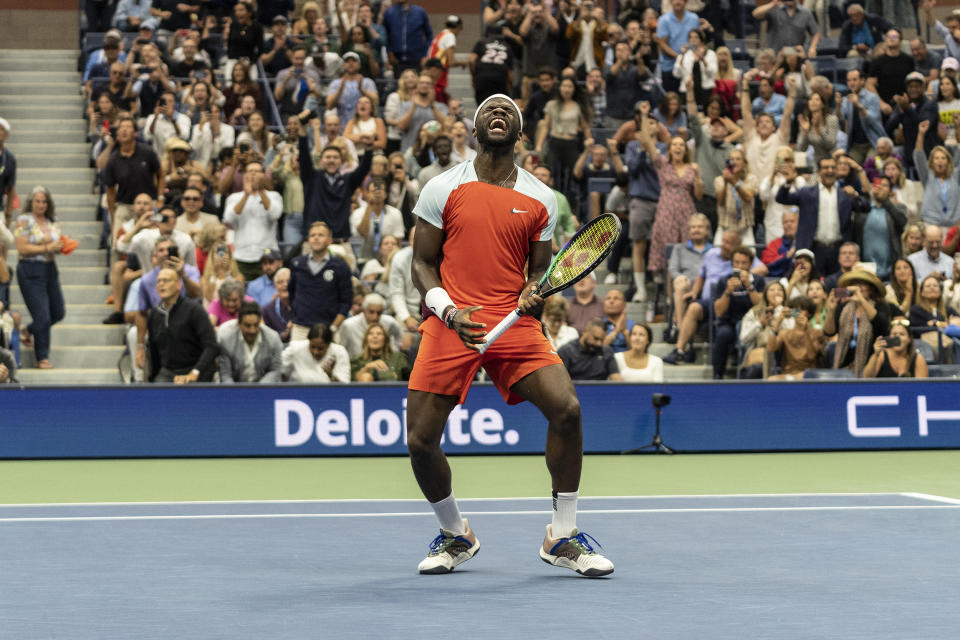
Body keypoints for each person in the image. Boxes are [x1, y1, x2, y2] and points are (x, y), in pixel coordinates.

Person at [406, 94, 613, 576]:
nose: (497, 113)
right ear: (474, 129)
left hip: (513, 323)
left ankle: (562, 537)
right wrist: (449, 311)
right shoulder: (441, 187)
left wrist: (531, 293)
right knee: (419, 440)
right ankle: (456, 534)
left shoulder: (540, 197)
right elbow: (422, 263)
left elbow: (540, 273)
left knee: (568, 410)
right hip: (452, 320)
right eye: (488, 110)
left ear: (520, 133)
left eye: (508, 112)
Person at [637, 101, 703, 276]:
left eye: (681, 145)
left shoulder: (692, 167)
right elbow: (648, 142)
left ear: (685, 149)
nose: (678, 147)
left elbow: (699, 195)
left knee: (687, 253)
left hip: (687, 211)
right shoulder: (662, 164)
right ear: (670, 148)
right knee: (668, 252)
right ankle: (667, 287)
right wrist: (644, 116)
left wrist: (697, 177)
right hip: (666, 211)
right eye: (675, 145)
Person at [776, 157, 869, 276]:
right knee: (814, 286)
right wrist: (788, 182)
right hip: (814, 248)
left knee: (838, 286)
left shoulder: (845, 194)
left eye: (833, 167)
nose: (829, 171)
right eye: (826, 168)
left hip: (839, 250)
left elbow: (865, 207)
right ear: (819, 171)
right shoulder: (807, 193)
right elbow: (781, 198)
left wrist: (855, 195)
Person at [13, 187, 67, 369]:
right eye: (38, 201)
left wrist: (62, 247)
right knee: (42, 316)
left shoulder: (53, 220)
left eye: (44, 201)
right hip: (30, 269)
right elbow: (22, 248)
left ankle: (27, 330)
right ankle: (42, 357)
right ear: (31, 202)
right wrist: (46, 247)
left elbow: (55, 243)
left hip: (50, 268)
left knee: (58, 312)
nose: (41, 205)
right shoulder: (23, 220)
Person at [144, 267, 218, 383]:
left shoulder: (194, 310)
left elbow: (211, 346)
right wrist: (152, 379)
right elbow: (154, 351)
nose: (161, 284)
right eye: (159, 281)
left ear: (179, 285)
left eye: (166, 280)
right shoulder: (154, 314)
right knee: (157, 392)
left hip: (196, 370)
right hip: (168, 372)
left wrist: (195, 372)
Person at [288, 222, 352, 341]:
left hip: (329, 328)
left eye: (320, 235)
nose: (316, 238)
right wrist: (295, 316)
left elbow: (346, 302)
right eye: (312, 235)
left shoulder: (340, 266)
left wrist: (333, 328)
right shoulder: (297, 263)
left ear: (329, 240)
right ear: (308, 240)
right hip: (301, 328)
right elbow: (291, 293)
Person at [824, 268, 893, 376]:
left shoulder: (881, 306)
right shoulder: (844, 307)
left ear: (871, 289)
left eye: (862, 284)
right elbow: (829, 332)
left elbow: (882, 325)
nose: (858, 288)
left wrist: (861, 300)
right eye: (855, 284)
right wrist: (831, 310)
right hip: (844, 366)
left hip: (872, 364)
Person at [666, 213, 712, 342]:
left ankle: (679, 332)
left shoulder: (713, 251)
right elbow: (673, 269)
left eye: (700, 227)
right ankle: (681, 328)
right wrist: (681, 277)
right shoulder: (679, 248)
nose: (696, 230)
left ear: (707, 230)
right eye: (693, 227)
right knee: (680, 283)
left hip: (706, 289)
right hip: (685, 287)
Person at [852, 176, 907, 280]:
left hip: (891, 269)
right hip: (866, 268)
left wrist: (885, 201)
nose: (880, 187)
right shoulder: (863, 210)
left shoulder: (898, 208)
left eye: (885, 185)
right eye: (878, 184)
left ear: (890, 191)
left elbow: (902, 221)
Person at [217, 301, 284, 382]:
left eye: (256, 325)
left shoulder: (273, 338)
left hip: (264, 390)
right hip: (236, 389)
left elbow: (275, 370)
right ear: (239, 323)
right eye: (248, 326)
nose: (252, 330)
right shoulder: (226, 340)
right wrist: (233, 392)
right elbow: (225, 374)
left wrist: (258, 390)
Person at [766, 296, 825, 380]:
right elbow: (770, 348)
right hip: (789, 374)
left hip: (809, 374)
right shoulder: (784, 333)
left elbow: (811, 356)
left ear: (809, 313)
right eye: (795, 309)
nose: (799, 312)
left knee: (800, 377)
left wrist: (805, 331)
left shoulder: (817, 333)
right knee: (771, 379)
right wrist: (778, 321)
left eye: (802, 309)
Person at [336, 292, 403, 357]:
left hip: (383, 363)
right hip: (355, 364)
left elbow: (399, 338)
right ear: (364, 310)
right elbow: (341, 349)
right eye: (371, 312)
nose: (375, 317)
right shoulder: (348, 325)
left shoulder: (390, 322)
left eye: (379, 313)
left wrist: (393, 352)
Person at [557, 318, 622, 381]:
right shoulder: (566, 351)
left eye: (602, 340)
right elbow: (560, 382)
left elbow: (616, 378)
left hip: (600, 391)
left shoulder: (606, 351)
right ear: (585, 331)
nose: (599, 344)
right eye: (596, 339)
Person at [282, 322, 351, 382]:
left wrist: (331, 375)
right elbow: (278, 371)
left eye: (320, 349)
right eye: (312, 347)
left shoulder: (340, 352)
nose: (316, 352)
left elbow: (344, 388)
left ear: (328, 345)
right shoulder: (295, 348)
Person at [656, 0, 700, 93]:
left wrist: (687, 58)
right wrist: (679, 57)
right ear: (671, 2)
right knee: (671, 100)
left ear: (686, 2)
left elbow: (696, 40)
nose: (677, 2)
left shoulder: (694, 18)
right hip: (670, 66)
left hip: (690, 66)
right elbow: (662, 43)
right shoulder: (664, 20)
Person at [864, 317, 929, 378]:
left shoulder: (918, 359)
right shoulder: (882, 355)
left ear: (909, 339)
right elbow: (867, 378)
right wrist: (876, 354)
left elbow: (922, 386)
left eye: (902, 334)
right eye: (894, 334)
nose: (897, 337)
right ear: (889, 337)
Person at [752, 0, 820, 58]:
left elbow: (815, 32)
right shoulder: (775, 9)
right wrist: (773, 3)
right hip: (775, 56)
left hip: (795, 56)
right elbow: (756, 14)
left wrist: (812, 47)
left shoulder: (805, 13)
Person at [382, 0, 433, 75]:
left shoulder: (420, 12)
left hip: (417, 59)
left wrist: (426, 55)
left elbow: (429, 35)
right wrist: (389, 52)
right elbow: (385, 35)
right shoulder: (389, 12)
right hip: (396, 60)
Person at [0, 118, 16, 226]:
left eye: (2, 129)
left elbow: (11, 189)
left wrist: (8, 214)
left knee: (6, 240)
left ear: (7, 134)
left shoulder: (9, 159)